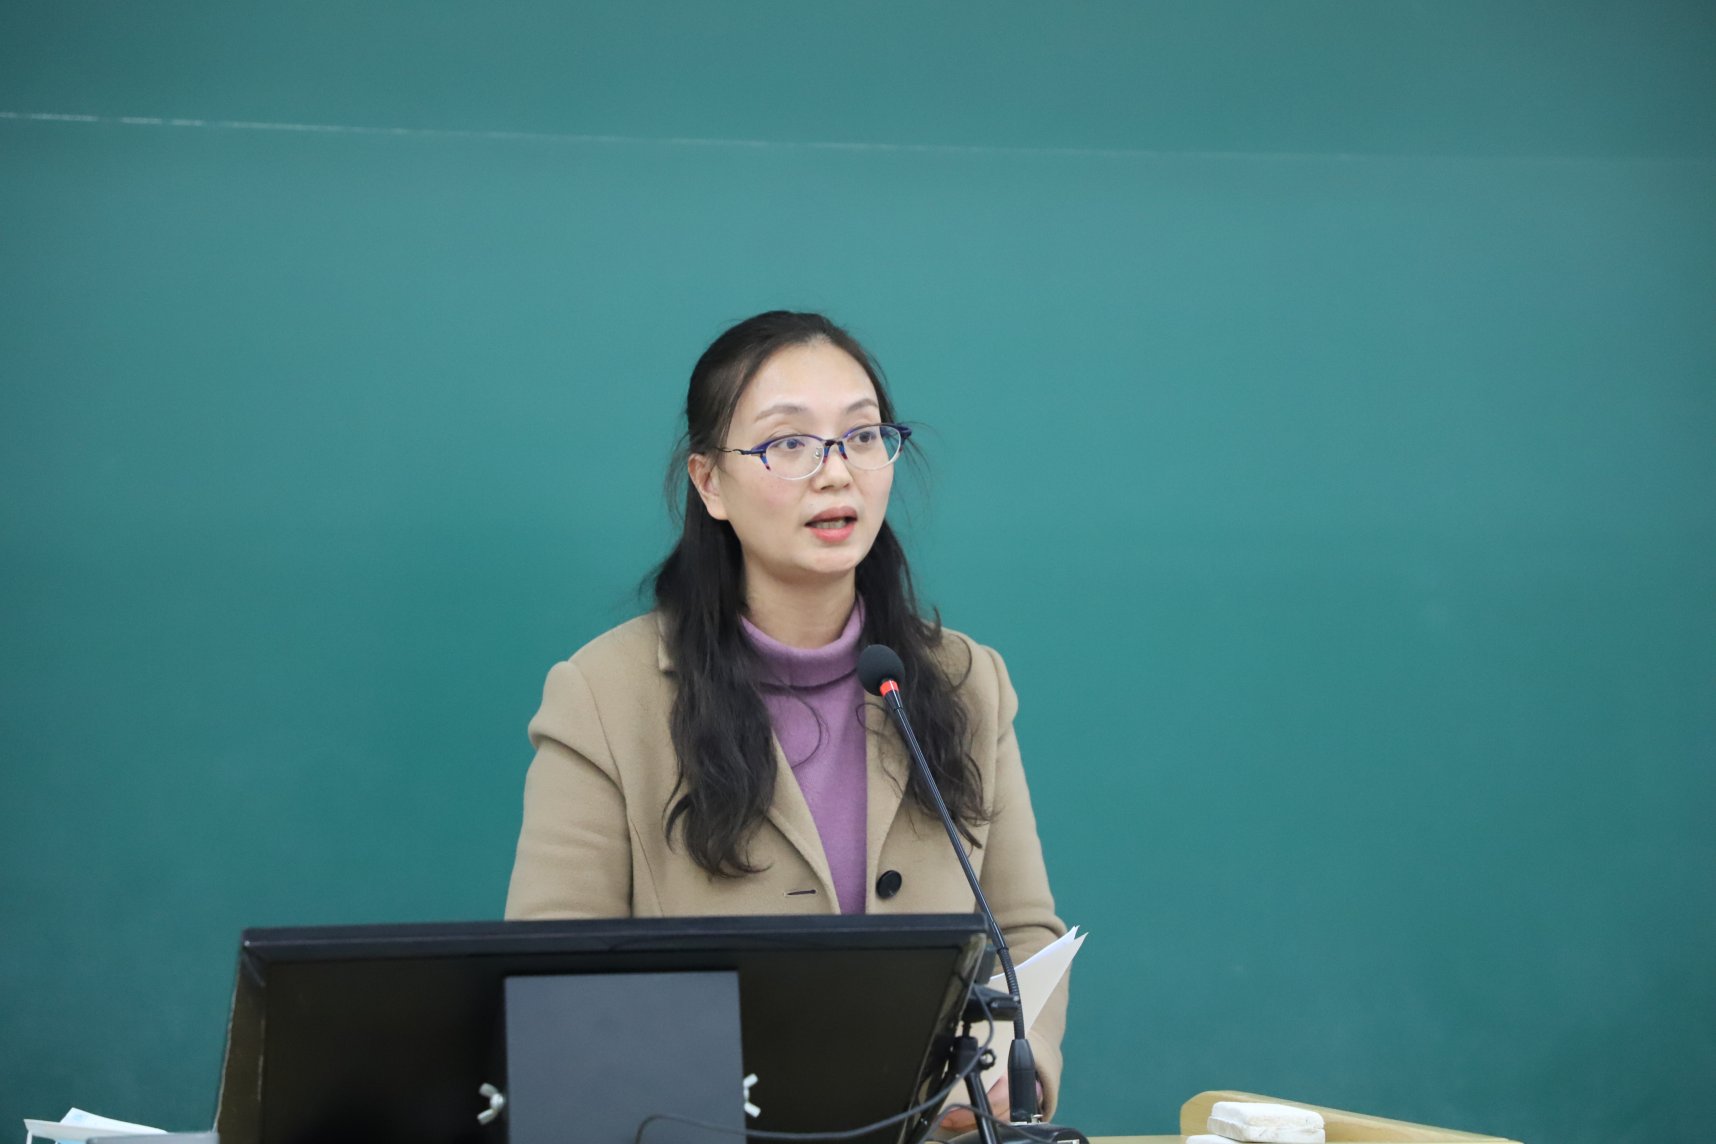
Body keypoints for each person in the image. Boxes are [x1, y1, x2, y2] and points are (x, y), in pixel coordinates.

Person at [504, 310, 1068, 1129]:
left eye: (862, 436)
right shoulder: (603, 696)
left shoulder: (965, 681)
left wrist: (1016, 1063)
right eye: (789, 443)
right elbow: (554, 977)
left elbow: (1021, 930)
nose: (836, 473)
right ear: (709, 483)